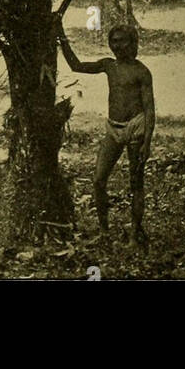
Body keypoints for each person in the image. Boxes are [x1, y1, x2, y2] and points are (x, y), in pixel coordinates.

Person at [56, 15, 154, 245]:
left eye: (124, 41)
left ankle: (135, 233)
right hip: (113, 127)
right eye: (115, 41)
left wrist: (147, 143)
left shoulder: (142, 72)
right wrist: (61, 37)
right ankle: (104, 231)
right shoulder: (108, 65)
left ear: (134, 43)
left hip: (136, 128)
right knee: (99, 180)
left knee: (135, 182)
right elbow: (76, 66)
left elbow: (150, 109)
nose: (119, 46)